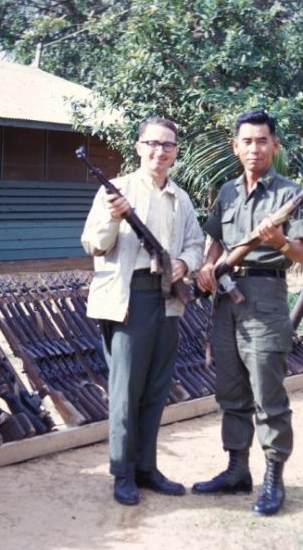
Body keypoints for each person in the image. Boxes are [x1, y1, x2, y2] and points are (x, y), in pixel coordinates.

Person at [191, 109, 303, 516]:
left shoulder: (290, 194)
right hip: (226, 299)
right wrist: (208, 266)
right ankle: (236, 470)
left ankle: (273, 478)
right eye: (247, 141)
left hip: (264, 296)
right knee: (230, 390)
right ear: (236, 146)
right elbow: (215, 240)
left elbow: (301, 254)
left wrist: (278, 240)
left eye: (262, 140)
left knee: (267, 392)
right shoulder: (226, 191)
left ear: (274, 146)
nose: (254, 148)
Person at [81, 117, 204, 506]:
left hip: (168, 297)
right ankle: (122, 472)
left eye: (167, 145)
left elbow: (195, 243)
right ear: (138, 147)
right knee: (125, 391)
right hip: (129, 299)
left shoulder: (180, 198)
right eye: (152, 143)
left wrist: (183, 264)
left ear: (176, 152)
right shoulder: (117, 190)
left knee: (156, 388)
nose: (159, 151)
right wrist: (114, 216)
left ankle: (147, 468)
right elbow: (93, 244)